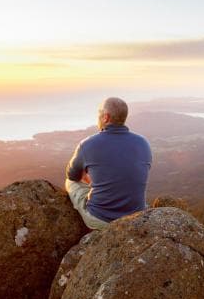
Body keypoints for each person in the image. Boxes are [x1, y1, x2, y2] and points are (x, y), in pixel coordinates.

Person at [65, 97, 152, 230]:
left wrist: (88, 176)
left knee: (70, 182)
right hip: (136, 216)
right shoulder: (143, 143)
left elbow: (72, 175)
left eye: (99, 113)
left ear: (105, 117)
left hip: (101, 219)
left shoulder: (88, 145)